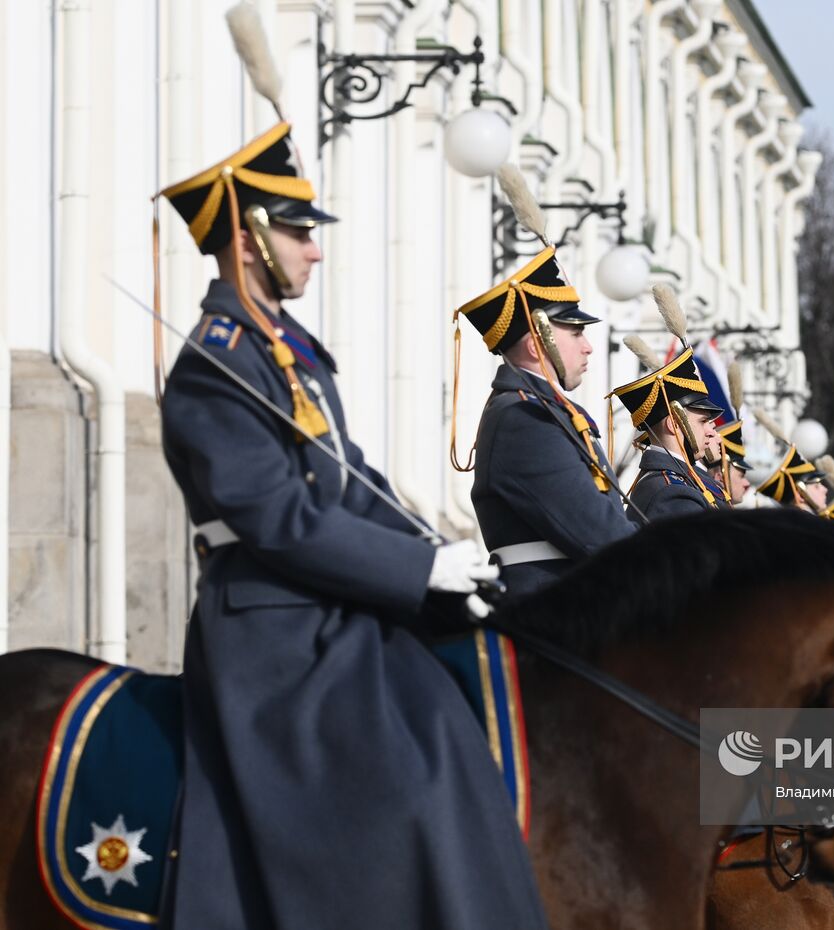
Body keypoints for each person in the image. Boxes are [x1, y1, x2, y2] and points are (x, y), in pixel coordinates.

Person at [157, 122, 548, 929]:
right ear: (247, 238)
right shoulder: (214, 364)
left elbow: (352, 479)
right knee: (408, 773)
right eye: (298, 233)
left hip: (330, 603)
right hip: (273, 622)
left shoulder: (288, 354)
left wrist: (436, 556)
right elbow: (279, 518)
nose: (314, 251)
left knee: (450, 709)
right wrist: (414, 573)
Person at [456, 208, 638, 596]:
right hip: (551, 603)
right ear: (538, 340)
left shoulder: (541, 411)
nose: (588, 347)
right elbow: (598, 533)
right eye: (574, 332)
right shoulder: (524, 419)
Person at [612, 345, 725, 518]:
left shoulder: (683, 481)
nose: (711, 431)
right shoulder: (671, 492)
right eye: (703, 421)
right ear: (673, 424)